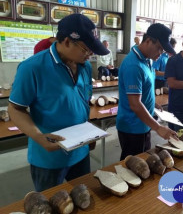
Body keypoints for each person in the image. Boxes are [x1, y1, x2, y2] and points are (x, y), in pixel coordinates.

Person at [8, 14, 109, 192]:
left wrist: (89, 132)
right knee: (50, 204)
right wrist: (39, 136)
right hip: (49, 157)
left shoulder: (84, 66)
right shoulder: (32, 68)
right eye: (86, 49)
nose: (90, 54)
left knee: (83, 199)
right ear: (68, 41)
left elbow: (82, 101)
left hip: (80, 152)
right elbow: (15, 109)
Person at [116, 23, 178, 160]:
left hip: (144, 123)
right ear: (149, 40)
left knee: (144, 159)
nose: (160, 53)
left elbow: (144, 89)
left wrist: (152, 103)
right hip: (132, 127)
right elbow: (135, 104)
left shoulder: (148, 60)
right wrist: (158, 128)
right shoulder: (134, 65)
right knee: (132, 165)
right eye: (159, 49)